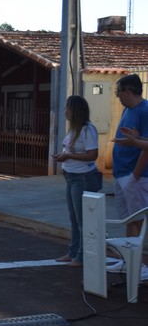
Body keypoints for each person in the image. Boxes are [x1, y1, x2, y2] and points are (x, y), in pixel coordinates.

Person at [52, 96, 99, 267]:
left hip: (83, 177)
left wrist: (68, 156)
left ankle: (81, 256)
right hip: (70, 176)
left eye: (67, 108)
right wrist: (63, 157)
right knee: (74, 218)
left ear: (75, 111)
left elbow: (93, 154)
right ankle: (73, 252)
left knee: (82, 220)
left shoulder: (87, 130)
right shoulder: (73, 130)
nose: (65, 111)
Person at [108, 74, 148, 278]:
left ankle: (142, 265)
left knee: (139, 221)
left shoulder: (145, 110)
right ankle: (129, 261)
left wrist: (135, 176)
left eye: (118, 92)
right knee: (128, 220)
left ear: (128, 91)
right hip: (121, 173)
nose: (118, 97)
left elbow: (146, 148)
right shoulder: (128, 109)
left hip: (135, 177)